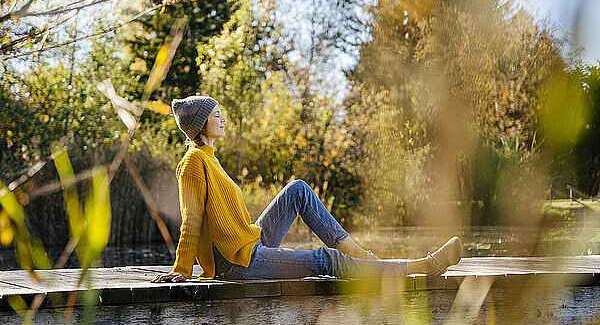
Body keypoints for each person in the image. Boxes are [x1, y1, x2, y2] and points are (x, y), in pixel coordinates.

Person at [151, 96, 462, 283]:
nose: (222, 119)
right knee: (324, 260)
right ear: (201, 124)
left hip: (247, 244)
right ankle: (423, 265)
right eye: (215, 115)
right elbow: (190, 221)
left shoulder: (210, 159)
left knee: (298, 189)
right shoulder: (193, 162)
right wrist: (182, 268)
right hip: (234, 264)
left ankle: (363, 256)